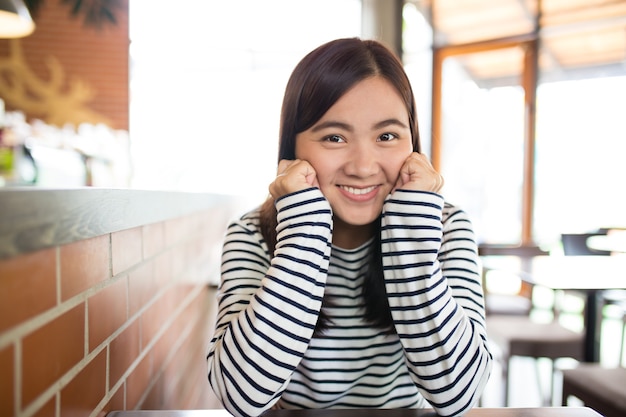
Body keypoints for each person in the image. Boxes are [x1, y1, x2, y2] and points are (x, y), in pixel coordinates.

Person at [206, 37, 492, 417]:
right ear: (292, 150)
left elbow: (458, 395)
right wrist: (303, 232)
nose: (363, 165)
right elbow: (241, 397)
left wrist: (410, 231)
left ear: (413, 143)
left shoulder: (445, 226)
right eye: (334, 137)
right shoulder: (253, 234)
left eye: (386, 136)